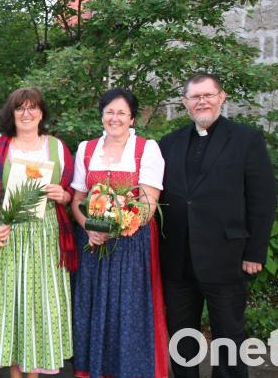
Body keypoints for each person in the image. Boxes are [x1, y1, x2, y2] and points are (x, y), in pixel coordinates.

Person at [158, 73, 277, 378]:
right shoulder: (168, 144)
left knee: (229, 336)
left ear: (222, 97)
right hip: (177, 260)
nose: (202, 101)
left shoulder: (246, 139)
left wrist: (255, 251)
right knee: (181, 338)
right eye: (195, 96)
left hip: (227, 255)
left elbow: (263, 198)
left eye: (208, 95)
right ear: (185, 103)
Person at [0, 87, 77, 378]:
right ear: (12, 113)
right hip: (8, 237)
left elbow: (74, 194)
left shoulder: (57, 147)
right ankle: (16, 375)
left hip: (46, 237)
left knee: (41, 306)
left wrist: (63, 196)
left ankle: (34, 374)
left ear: (42, 113)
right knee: (12, 306)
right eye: (20, 108)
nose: (27, 114)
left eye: (33, 108)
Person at [69, 88, 169, 378]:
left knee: (129, 311)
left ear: (132, 117)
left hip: (132, 244)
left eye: (121, 113)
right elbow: (77, 199)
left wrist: (118, 227)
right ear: (101, 115)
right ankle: (94, 370)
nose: (115, 118)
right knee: (95, 306)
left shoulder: (146, 149)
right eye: (109, 112)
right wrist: (90, 227)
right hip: (93, 242)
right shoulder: (87, 149)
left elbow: (149, 201)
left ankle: (131, 370)